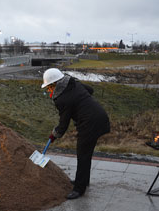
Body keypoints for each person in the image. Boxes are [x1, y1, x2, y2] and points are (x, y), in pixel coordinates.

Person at [42, 68, 110, 200]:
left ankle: (79, 189)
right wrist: (81, 102)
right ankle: (84, 181)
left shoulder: (62, 99)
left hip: (90, 123)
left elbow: (63, 123)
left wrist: (54, 135)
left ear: (55, 84)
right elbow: (90, 90)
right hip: (100, 117)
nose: (49, 90)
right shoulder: (73, 82)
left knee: (82, 154)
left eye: (49, 87)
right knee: (86, 153)